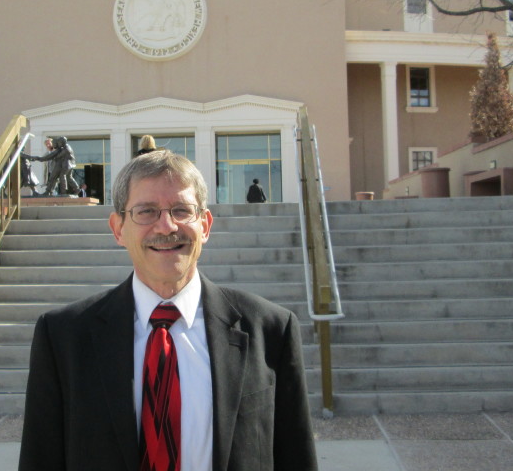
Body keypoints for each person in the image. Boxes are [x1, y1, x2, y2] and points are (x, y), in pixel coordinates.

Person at [19, 150, 317, 471]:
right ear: (118, 228)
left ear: (204, 225)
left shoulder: (271, 329)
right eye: (146, 211)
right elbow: (41, 458)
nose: (166, 226)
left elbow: (296, 455)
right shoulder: (63, 337)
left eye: (181, 210)